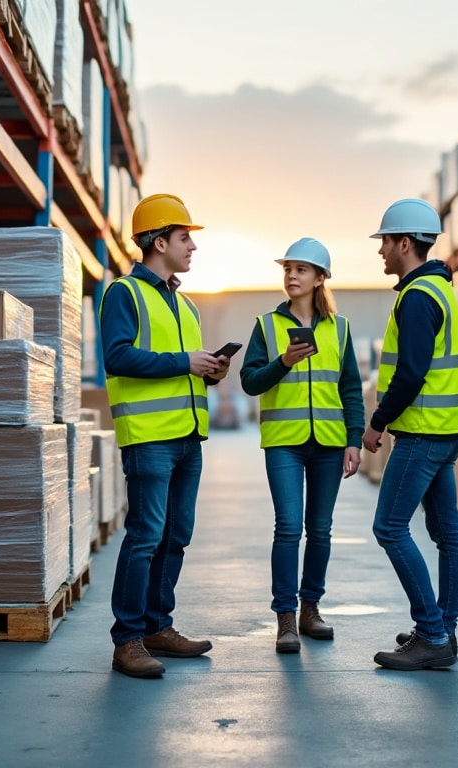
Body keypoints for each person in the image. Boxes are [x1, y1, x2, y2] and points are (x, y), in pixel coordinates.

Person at [101, 193, 231, 679]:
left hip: (188, 436)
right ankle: (128, 639)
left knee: (176, 536)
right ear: (159, 242)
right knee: (145, 537)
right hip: (149, 437)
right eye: (184, 238)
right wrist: (184, 362)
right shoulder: (124, 294)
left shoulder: (186, 305)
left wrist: (210, 371)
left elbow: (184, 368)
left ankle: (158, 626)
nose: (192, 247)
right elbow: (117, 356)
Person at [238, 238, 365, 654]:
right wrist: (285, 362)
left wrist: (353, 440)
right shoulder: (267, 326)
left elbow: (350, 389)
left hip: (329, 444)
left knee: (321, 531)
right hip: (285, 445)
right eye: (287, 268)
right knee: (289, 527)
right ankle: (285, 619)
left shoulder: (340, 329)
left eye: (301, 269)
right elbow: (250, 381)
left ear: (319, 278)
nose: (291, 275)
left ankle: (311, 609)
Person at [362, 198, 458, 671]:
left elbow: (409, 374)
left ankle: (431, 632)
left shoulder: (418, 298)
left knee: (388, 526)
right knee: (448, 534)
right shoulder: (441, 290)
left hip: (423, 432)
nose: (381, 251)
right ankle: (443, 629)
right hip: (447, 431)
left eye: (385, 242)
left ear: (405, 243)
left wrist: (377, 421)